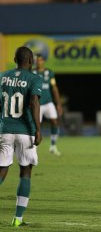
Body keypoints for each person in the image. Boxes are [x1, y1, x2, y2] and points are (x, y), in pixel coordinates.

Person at [0, 46, 43, 227]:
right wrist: (38, 130)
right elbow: (33, 102)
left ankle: (18, 219)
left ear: (15, 59)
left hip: (5, 130)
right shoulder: (34, 78)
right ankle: (17, 219)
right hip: (25, 131)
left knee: (2, 170)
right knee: (25, 171)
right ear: (31, 60)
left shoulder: (2, 76)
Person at [33, 54, 63, 156]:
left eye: (40, 60)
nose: (38, 62)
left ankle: (53, 146)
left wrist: (58, 104)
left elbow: (54, 88)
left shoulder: (49, 72)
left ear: (43, 61)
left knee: (55, 121)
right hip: (37, 104)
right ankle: (33, 148)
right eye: (37, 60)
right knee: (36, 126)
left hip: (49, 102)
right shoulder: (32, 73)